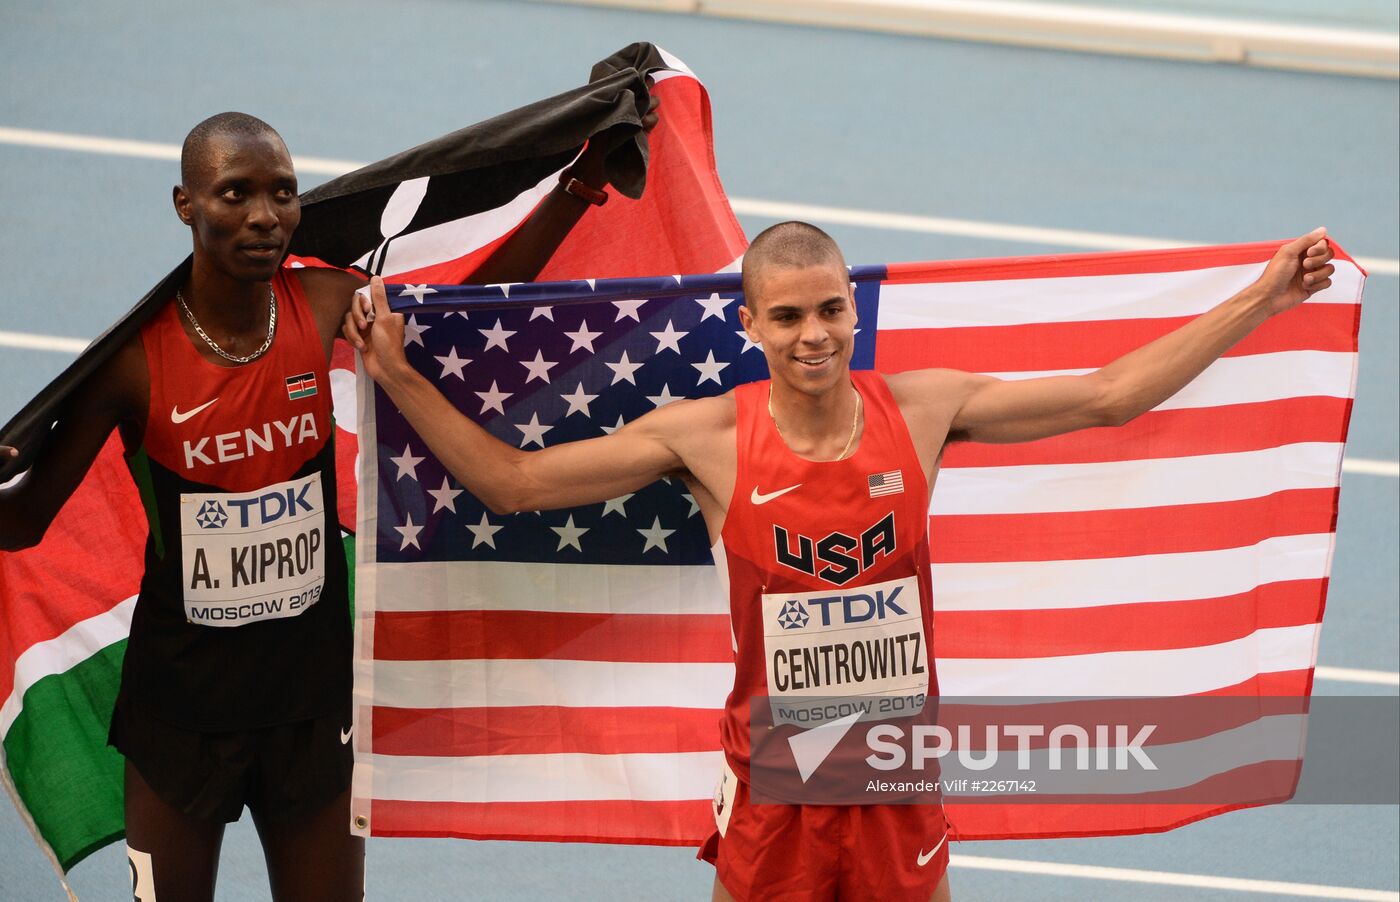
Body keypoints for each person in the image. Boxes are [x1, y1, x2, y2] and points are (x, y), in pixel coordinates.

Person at [343, 218, 1334, 901]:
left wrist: (1261, 298)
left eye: (827, 310)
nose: (811, 334)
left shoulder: (925, 408)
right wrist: (395, 371)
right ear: (750, 325)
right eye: (786, 317)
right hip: (775, 782)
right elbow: (515, 482)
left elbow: (1108, 395)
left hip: (894, 775)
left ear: (852, 311)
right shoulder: (708, 439)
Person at [0, 106, 647, 901]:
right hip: (180, 713)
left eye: (282, 192)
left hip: (312, 703)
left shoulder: (322, 302)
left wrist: (578, 186)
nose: (264, 215)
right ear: (185, 204)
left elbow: (457, 313)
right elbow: (23, 521)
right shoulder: (132, 364)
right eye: (235, 193)